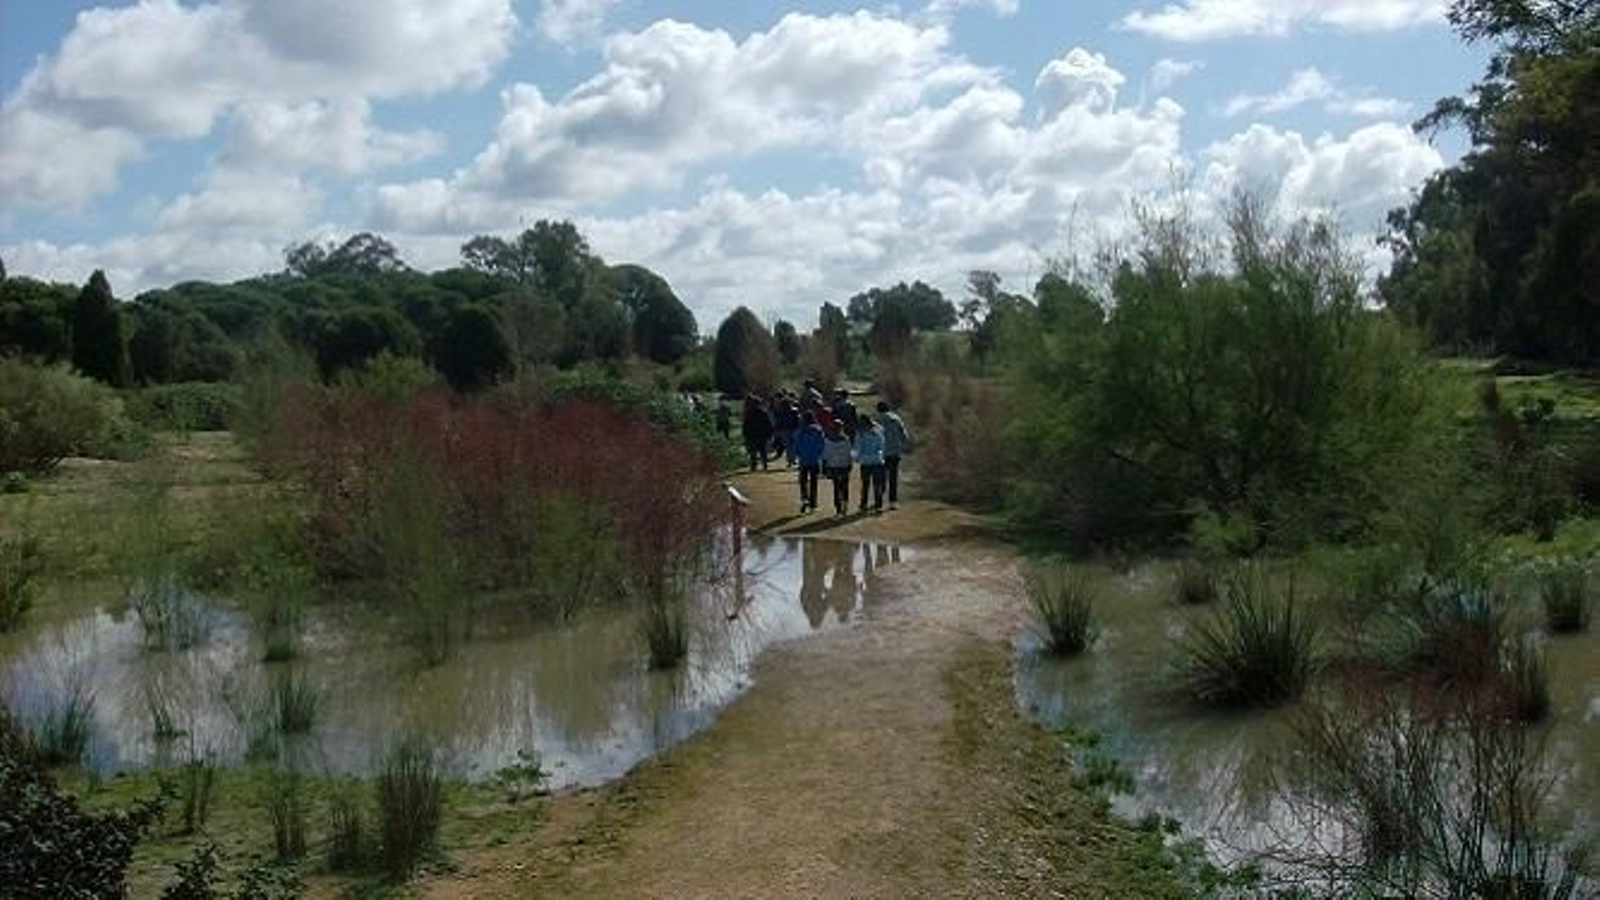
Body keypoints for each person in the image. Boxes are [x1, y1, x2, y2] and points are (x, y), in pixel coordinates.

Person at [876, 401, 913, 508]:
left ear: (878, 409)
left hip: (881, 453)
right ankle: (893, 501)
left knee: (881, 477)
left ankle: (879, 501)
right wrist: (906, 445)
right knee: (893, 477)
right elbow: (903, 434)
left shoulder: (877, 420)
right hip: (895, 452)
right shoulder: (896, 418)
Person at [854, 413, 887, 513]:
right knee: (877, 484)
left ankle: (863, 505)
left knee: (865, 485)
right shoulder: (878, 431)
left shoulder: (860, 433)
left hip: (865, 461)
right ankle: (878, 505)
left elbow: (858, 447)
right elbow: (882, 446)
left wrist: (856, 458)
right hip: (877, 460)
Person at [793, 411, 825, 513]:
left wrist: (798, 454)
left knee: (803, 481)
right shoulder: (818, 430)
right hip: (814, 460)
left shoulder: (799, 431)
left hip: (803, 460)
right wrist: (819, 455)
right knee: (813, 482)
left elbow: (796, 445)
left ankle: (804, 498)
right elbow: (822, 444)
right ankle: (813, 503)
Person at [821, 418, 854, 515]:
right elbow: (849, 454)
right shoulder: (847, 440)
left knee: (836, 487)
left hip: (833, 465)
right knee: (845, 486)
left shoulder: (828, 440)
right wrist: (850, 464)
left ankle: (838, 508)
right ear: (841, 428)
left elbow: (825, 455)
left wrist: (825, 466)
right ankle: (845, 504)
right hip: (844, 465)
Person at [742, 395, 774, 471]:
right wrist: (769, 434)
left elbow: (745, 425)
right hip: (762, 435)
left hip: (752, 435)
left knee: (753, 452)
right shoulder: (763, 413)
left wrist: (745, 434)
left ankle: (753, 466)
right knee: (762, 451)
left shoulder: (749, 413)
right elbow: (769, 424)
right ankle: (764, 465)